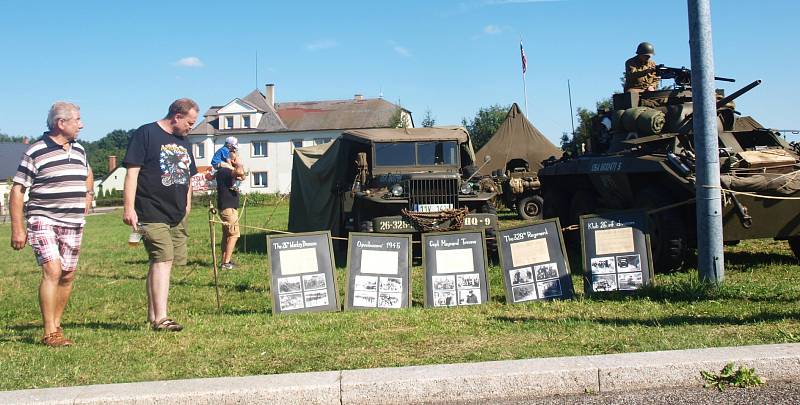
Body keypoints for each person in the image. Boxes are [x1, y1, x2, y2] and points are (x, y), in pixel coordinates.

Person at [10, 101, 93, 347]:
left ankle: (55, 325)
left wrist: (88, 194)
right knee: (53, 271)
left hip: (74, 221)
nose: (82, 124)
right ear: (61, 123)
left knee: (67, 275)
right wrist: (18, 228)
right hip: (43, 218)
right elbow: (17, 189)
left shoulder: (79, 150)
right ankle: (49, 332)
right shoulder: (35, 151)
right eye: (77, 119)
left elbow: (87, 172)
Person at [123, 98, 198, 332]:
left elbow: (188, 177)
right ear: (176, 116)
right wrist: (128, 208)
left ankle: (153, 314)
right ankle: (161, 319)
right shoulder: (145, 134)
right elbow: (132, 174)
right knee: (162, 259)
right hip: (151, 210)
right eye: (190, 122)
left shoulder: (183, 142)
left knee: (164, 262)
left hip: (176, 213)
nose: (191, 127)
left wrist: (187, 205)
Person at [216, 154, 246, 270]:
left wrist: (238, 167)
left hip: (228, 207)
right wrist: (239, 164)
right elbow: (239, 173)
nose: (235, 161)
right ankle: (226, 263)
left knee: (227, 235)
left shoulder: (225, 171)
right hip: (228, 208)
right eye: (233, 159)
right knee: (234, 234)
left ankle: (224, 260)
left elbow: (242, 176)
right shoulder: (225, 171)